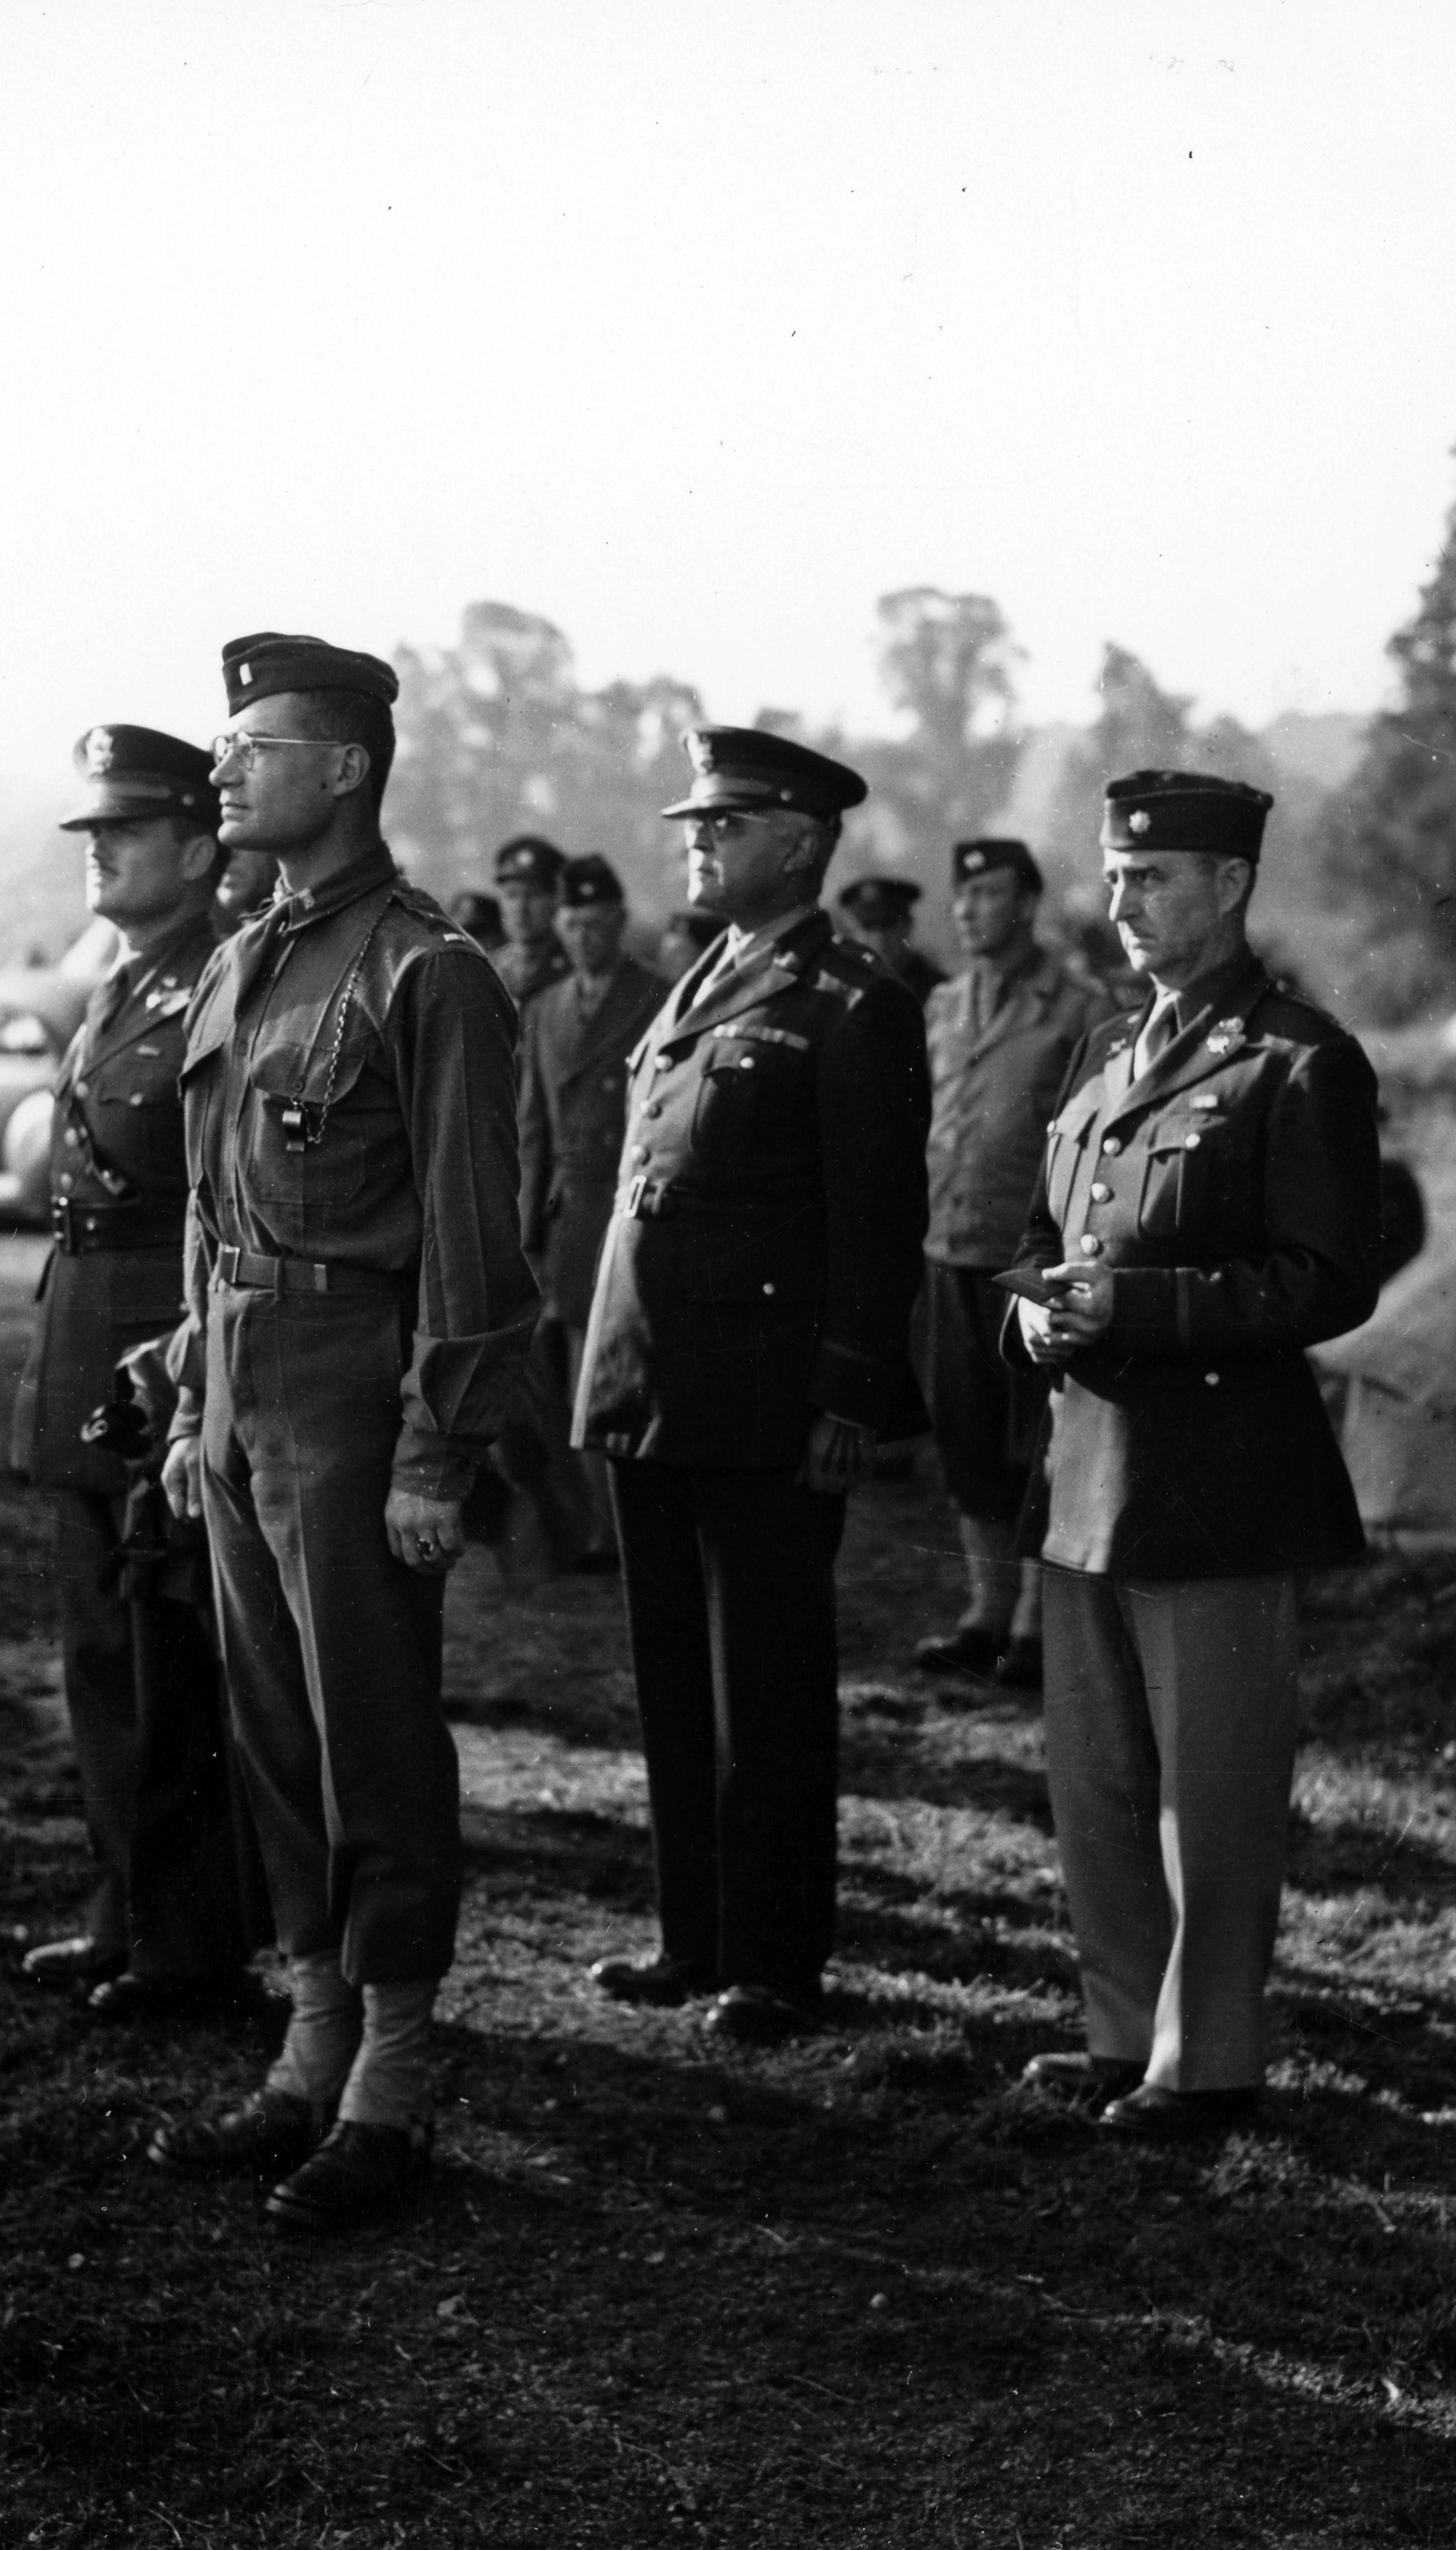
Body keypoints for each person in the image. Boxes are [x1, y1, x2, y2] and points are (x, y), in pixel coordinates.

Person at [148, 633, 537, 2235]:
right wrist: (188, 1395)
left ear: (350, 766)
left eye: (257, 744)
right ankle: (309, 2039)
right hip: (244, 1376)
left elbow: (470, 1236)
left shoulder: (423, 968)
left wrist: (438, 1447)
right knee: (272, 1732)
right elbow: (203, 1198)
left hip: (351, 1385)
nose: (225, 768)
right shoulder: (252, 952)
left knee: (370, 1729)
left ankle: (393, 2070)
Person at [1008, 769, 1380, 2139]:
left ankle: (1206, 2060)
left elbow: (1329, 1279)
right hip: (1089, 1467)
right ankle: (1120, 2031)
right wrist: (1034, 1310)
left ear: (1230, 885)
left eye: (1154, 877)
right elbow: (1051, 1237)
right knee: (1096, 1780)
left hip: (1220, 1478)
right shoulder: (1106, 1053)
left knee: (1210, 1795)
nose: (1125, 901)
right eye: (1112, 876)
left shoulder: (1299, 1059)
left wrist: (1145, 1308)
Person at [576, 726, 930, 2043]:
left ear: (802, 841)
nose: (697, 842)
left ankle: (774, 1956)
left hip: (766, 1391)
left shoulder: (852, 998)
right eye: (695, 824)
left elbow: (876, 1218)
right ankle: (694, 1934)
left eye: (725, 825)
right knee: (672, 1672)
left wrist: (849, 1392)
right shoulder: (700, 979)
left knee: (766, 1684)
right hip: (655, 1377)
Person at [6, 723, 263, 2016]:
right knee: (100, 1651)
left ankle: (188, 1936)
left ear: (200, 846)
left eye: (123, 830)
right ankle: (122, 1907)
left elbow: (219, 1196)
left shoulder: (218, 975)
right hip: (85, 1340)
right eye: (91, 831)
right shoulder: (124, 977)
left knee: (174, 1665)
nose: (96, 849)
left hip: (160, 1344)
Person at [912, 837, 1114, 1691]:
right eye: (961, 897)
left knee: (1036, 1443)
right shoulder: (942, 1005)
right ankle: (982, 1612)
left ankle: (1035, 1624)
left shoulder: (1076, 1007)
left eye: (988, 895)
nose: (967, 911)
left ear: (1026, 903)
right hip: (945, 1252)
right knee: (963, 1442)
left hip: (1026, 1262)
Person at [501, 853, 670, 1570]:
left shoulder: (658, 998)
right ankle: (584, 1530)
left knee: (622, 1382)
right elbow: (532, 1128)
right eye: (572, 923)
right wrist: (523, 1230)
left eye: (598, 924)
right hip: (566, 1220)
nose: (584, 937)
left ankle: (627, 1529)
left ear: (619, 924)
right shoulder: (543, 1008)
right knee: (561, 1388)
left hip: (627, 1213)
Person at [491, 833, 573, 1006]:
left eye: (534, 895)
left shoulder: (575, 969)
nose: (521, 908)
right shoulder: (487, 970)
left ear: (556, 900)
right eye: (511, 895)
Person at [837, 874, 946, 1002]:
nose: (879, 936)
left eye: (887, 924)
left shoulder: (938, 990)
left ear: (907, 925)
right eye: (868, 927)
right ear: (853, 933)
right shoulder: (843, 990)